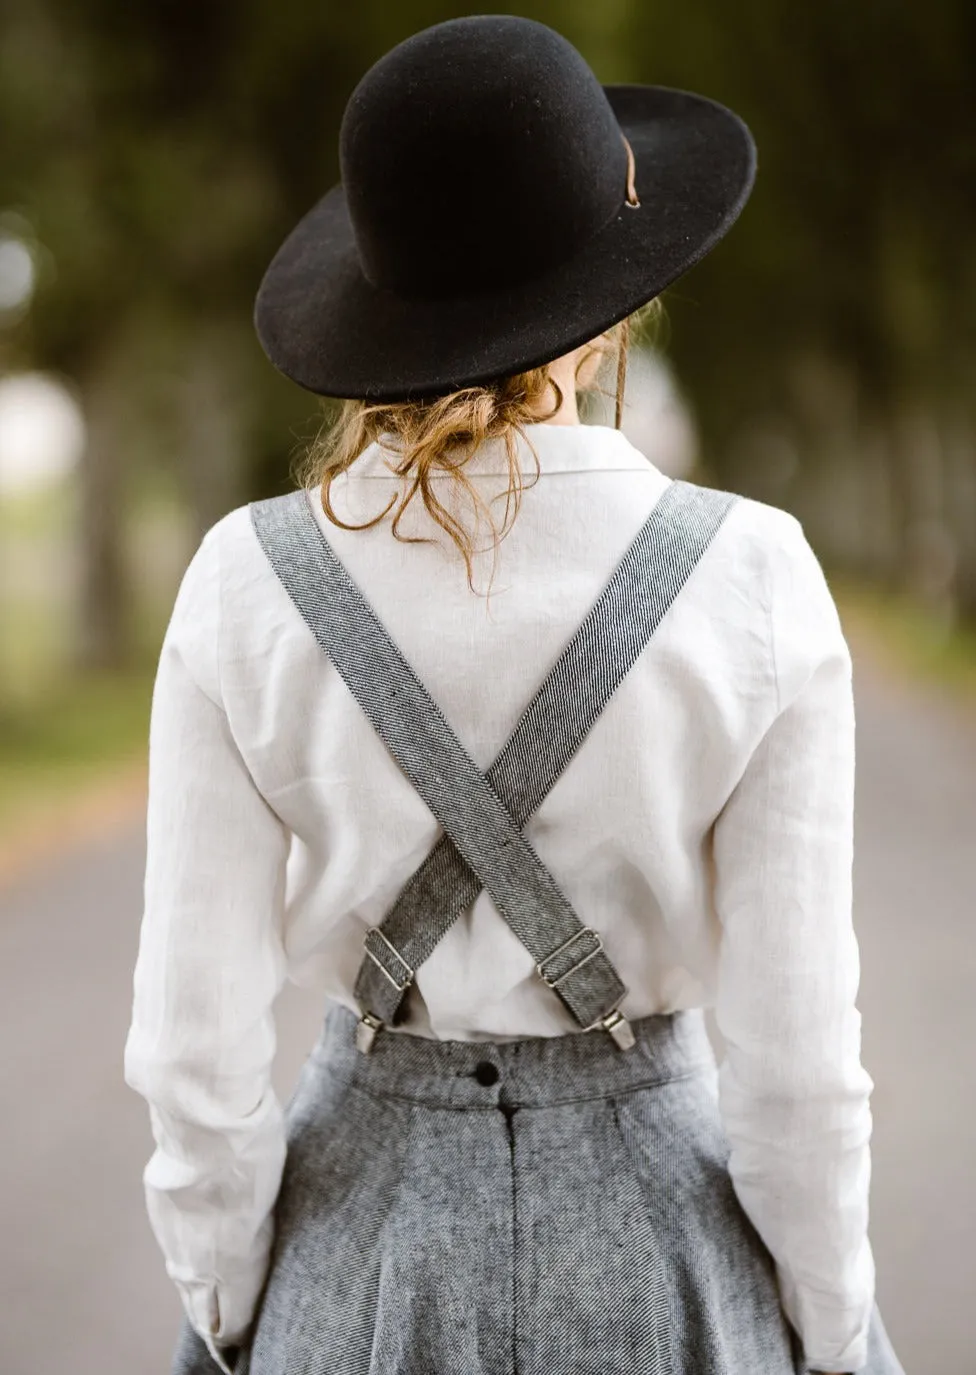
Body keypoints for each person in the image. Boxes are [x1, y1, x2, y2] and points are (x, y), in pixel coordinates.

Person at [123, 15, 907, 1375]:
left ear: (379, 310)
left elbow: (194, 1056)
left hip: (360, 1241)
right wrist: (833, 1329)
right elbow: (794, 1068)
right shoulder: (754, 575)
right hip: (663, 1243)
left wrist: (237, 1300)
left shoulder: (243, 582)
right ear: (608, 316)